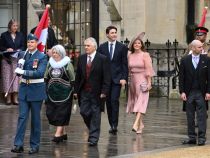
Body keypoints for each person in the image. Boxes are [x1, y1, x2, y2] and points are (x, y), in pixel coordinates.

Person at [11, 33, 48, 154]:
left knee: (35, 120)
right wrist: (19, 65)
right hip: (24, 90)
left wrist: (23, 70)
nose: (30, 44)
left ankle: (34, 145)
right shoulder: (23, 54)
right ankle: (18, 144)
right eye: (28, 42)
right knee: (22, 118)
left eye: (32, 42)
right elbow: (18, 73)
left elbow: (40, 73)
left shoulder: (42, 56)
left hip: (36, 90)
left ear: (37, 43)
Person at [74, 37, 110, 146]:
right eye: (85, 45)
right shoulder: (82, 58)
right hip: (84, 91)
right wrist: (76, 91)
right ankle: (93, 128)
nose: (86, 47)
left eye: (88, 45)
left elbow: (107, 77)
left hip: (97, 92)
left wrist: (104, 91)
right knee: (84, 112)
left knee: (95, 114)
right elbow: (78, 76)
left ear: (94, 46)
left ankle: (94, 137)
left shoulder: (102, 59)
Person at [97, 25, 128, 134]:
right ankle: (111, 123)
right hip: (105, 81)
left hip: (117, 80)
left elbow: (124, 64)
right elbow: (99, 64)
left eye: (115, 32)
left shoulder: (122, 47)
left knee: (114, 101)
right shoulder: (102, 47)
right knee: (108, 103)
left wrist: (124, 78)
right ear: (107, 34)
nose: (114, 34)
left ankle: (115, 125)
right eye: (112, 33)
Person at [179, 40, 210, 146]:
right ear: (193, 48)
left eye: (202, 47)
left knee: (202, 116)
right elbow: (181, 77)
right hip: (189, 92)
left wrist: (208, 92)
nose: (202, 49)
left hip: (201, 92)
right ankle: (191, 137)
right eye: (199, 47)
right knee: (190, 116)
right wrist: (182, 91)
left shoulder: (206, 59)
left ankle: (201, 138)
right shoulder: (185, 60)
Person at [44, 44, 75, 143]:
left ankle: (58, 134)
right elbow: (46, 77)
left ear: (61, 53)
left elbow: (72, 78)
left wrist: (74, 91)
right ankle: (63, 132)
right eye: (53, 52)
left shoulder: (67, 63)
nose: (54, 54)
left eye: (57, 52)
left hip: (65, 93)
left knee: (62, 113)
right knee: (51, 113)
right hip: (52, 92)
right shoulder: (50, 63)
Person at [126, 33, 155, 134]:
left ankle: (135, 123)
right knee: (136, 101)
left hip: (142, 80)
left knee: (141, 102)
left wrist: (149, 83)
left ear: (141, 45)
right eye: (135, 43)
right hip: (133, 80)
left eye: (139, 43)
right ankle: (141, 124)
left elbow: (149, 69)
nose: (137, 44)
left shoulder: (145, 55)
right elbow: (129, 69)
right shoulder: (130, 55)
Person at [0, 19, 25, 105]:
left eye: (16, 26)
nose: (15, 27)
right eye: (14, 26)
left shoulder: (20, 35)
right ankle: (8, 98)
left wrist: (19, 50)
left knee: (16, 78)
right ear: (10, 26)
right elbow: (1, 46)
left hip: (17, 60)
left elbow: (23, 46)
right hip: (7, 60)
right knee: (7, 79)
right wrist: (7, 49)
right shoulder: (4, 35)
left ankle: (15, 98)